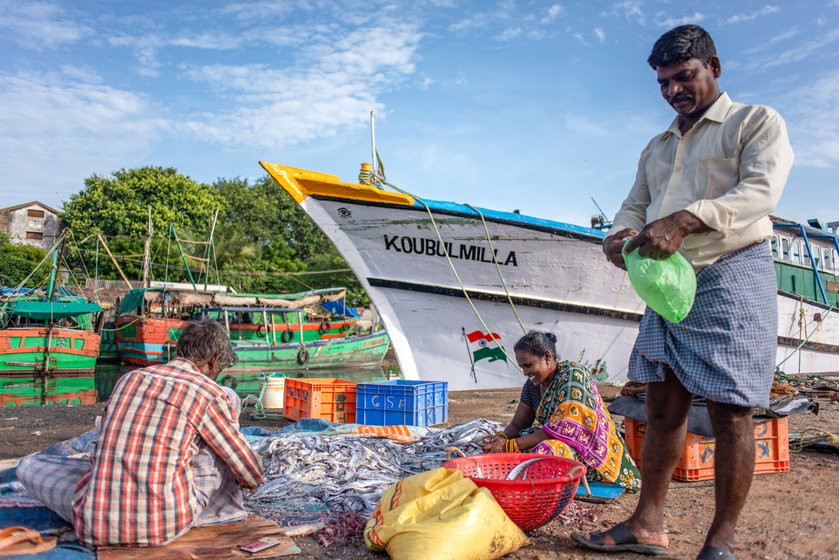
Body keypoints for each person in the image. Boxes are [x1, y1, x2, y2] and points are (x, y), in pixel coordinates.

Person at [572, 25, 793, 560]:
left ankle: (721, 541)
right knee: (662, 404)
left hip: (730, 272)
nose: (674, 90)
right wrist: (620, 233)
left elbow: (761, 191)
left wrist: (687, 219)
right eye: (664, 82)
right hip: (670, 283)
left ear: (714, 67)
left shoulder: (755, 122)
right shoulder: (658, 145)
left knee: (731, 410)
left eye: (684, 77)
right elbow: (635, 204)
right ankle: (648, 524)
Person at [17, 319, 263, 548]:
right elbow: (251, 473)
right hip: (162, 524)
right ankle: (222, 510)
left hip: (95, 523)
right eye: (219, 367)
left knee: (27, 465)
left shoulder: (129, 379)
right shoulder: (210, 393)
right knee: (225, 410)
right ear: (211, 362)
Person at [482, 331, 641, 492]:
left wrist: (510, 445)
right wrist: (500, 438)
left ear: (547, 357)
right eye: (522, 367)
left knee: (545, 451)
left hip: (589, 450)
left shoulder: (573, 375)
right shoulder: (532, 385)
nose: (525, 372)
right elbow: (518, 424)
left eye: (528, 365)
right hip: (553, 439)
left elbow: (561, 429)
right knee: (521, 441)